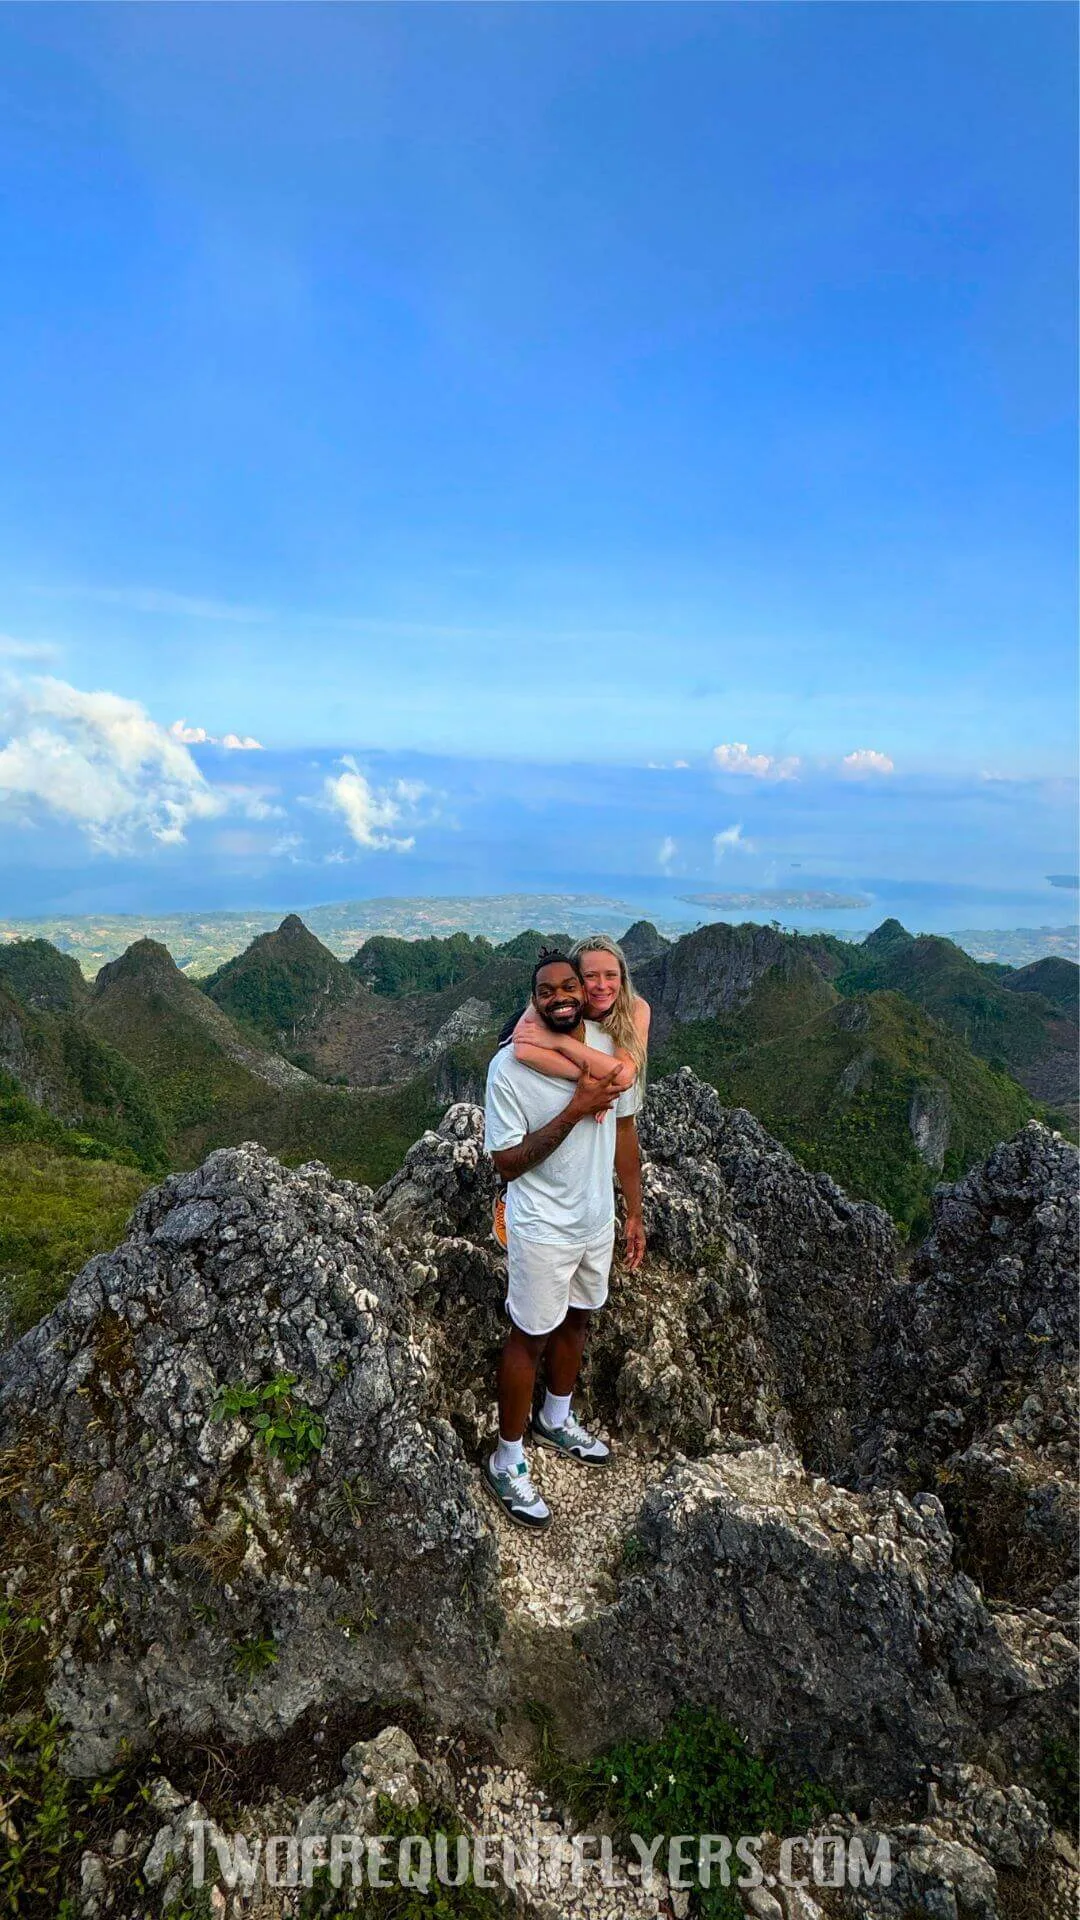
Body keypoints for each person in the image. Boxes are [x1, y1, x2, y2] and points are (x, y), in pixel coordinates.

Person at [482, 948, 646, 1530]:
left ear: (585, 990)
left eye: (568, 986)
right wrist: (576, 1109)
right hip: (543, 1227)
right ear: (534, 1000)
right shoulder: (509, 1070)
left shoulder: (608, 1050)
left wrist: (633, 1211)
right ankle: (507, 1457)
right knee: (529, 1335)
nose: (560, 996)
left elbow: (624, 1134)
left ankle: (555, 1417)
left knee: (579, 1318)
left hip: (594, 1220)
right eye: (546, 990)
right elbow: (505, 1163)